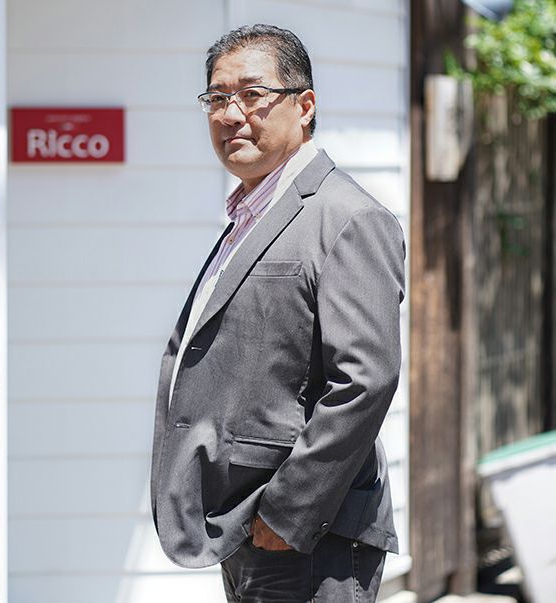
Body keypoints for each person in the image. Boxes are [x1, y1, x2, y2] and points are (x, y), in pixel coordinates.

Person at [150, 24, 406, 602]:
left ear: (304, 105)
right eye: (217, 97)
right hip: (244, 524)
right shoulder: (251, 214)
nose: (230, 114)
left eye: (252, 94)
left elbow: (365, 380)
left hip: (307, 535)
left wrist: (287, 515)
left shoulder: (347, 217)